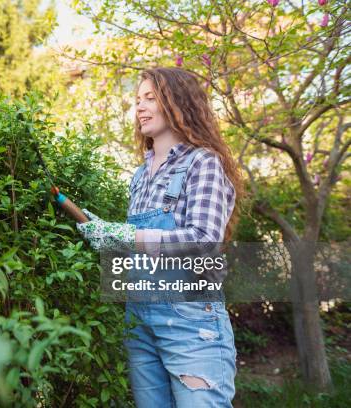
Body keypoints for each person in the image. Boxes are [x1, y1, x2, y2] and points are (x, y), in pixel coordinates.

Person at [76, 67, 242, 407]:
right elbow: (138, 247)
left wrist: (125, 235)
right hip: (139, 319)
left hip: (191, 323)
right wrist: (106, 232)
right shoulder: (140, 175)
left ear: (179, 102)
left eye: (151, 98)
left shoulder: (203, 163)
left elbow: (204, 240)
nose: (140, 107)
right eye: (137, 100)